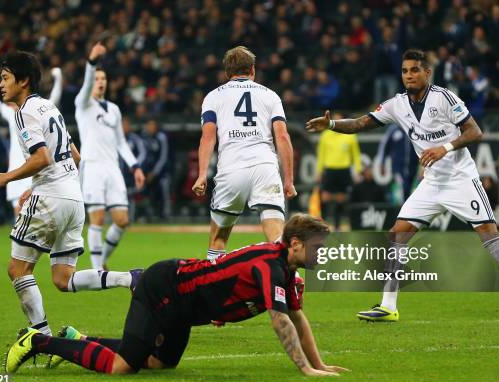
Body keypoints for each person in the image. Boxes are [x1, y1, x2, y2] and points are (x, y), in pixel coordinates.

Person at [306, 49, 499, 325]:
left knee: (490, 237)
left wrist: (444, 147)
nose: (409, 75)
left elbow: (474, 132)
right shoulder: (397, 104)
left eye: (415, 70)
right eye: (405, 71)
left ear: (427, 73)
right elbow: (361, 123)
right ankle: (388, 306)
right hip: (431, 183)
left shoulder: (444, 98)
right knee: (397, 234)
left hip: (460, 179)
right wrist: (332, 124)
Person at [4, 214, 348, 377]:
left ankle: (78, 340)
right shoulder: (270, 266)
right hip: (164, 288)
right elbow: (280, 320)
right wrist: (305, 370)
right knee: (124, 367)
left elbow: (298, 317)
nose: (322, 254)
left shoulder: (286, 270)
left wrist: (319, 364)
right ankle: (37, 342)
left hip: (184, 306)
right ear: (297, 244)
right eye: (318, 248)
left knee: (160, 363)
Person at [0, 51, 142, 337]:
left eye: (6, 78)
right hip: (73, 199)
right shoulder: (49, 107)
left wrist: (8, 177)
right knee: (62, 278)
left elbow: (42, 158)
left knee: (17, 269)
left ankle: (42, 337)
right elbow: (76, 157)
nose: (1, 84)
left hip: (50, 199)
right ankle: (127, 277)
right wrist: (36, 185)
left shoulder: (23, 112)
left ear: (24, 81)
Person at [192, 46, 296, 260]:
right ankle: (287, 286)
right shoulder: (271, 96)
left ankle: (214, 287)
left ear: (226, 73)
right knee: (277, 239)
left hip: (231, 169)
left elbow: (208, 137)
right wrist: (289, 180)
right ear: (253, 70)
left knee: (218, 239)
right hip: (265, 168)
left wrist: (202, 174)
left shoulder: (213, 97)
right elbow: (282, 137)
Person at [75, 42, 146, 270]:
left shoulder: (114, 109)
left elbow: (121, 142)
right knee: (96, 219)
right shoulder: (83, 104)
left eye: (103, 79)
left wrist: (135, 167)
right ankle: (97, 270)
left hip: (113, 168)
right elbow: (86, 86)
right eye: (96, 79)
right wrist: (91, 63)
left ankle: (102, 259)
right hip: (93, 166)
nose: (100, 82)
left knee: (122, 220)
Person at [0, 68, 63, 218]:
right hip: (17, 174)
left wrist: (58, 78)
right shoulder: (12, 115)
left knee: (38, 223)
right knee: (20, 223)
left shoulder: (38, 110)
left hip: (36, 171)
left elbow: (54, 99)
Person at [315, 111, 361, 230]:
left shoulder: (350, 135)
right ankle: (323, 224)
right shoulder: (325, 135)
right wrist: (319, 171)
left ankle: (337, 225)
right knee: (325, 197)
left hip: (343, 169)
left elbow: (355, 154)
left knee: (341, 198)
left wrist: (357, 170)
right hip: (330, 169)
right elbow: (321, 155)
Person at [143, 118, 172, 219]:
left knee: (164, 190)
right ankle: (150, 214)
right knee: (148, 193)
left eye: (152, 126)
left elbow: (163, 157)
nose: (149, 128)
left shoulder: (161, 137)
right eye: (148, 125)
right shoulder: (145, 138)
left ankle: (165, 214)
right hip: (148, 171)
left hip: (162, 172)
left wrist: (154, 172)